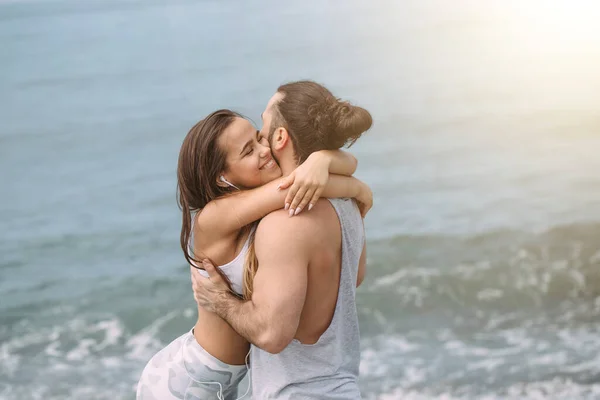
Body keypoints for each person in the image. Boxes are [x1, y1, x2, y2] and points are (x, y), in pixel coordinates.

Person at [136, 105, 372, 399]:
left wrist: (323, 161)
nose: (264, 150)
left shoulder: (257, 208)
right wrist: (357, 189)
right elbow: (297, 187)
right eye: (248, 151)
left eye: (260, 139)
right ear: (223, 178)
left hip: (229, 381)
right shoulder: (214, 216)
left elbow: (326, 174)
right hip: (188, 384)